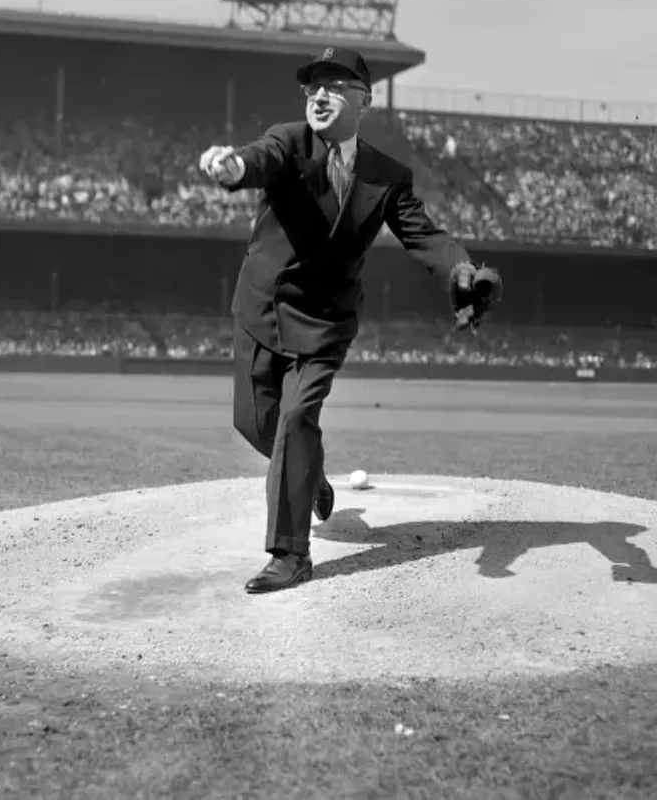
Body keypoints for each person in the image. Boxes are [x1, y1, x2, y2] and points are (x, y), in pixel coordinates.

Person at [198, 46, 490, 594]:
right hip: (261, 309)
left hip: (325, 322)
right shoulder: (289, 141)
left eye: (333, 86)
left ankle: (289, 554)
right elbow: (256, 159)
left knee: (295, 420)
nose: (319, 96)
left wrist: (464, 271)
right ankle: (309, 477)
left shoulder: (386, 175)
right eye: (312, 88)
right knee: (255, 424)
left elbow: (423, 235)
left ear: (364, 99)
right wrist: (231, 166)